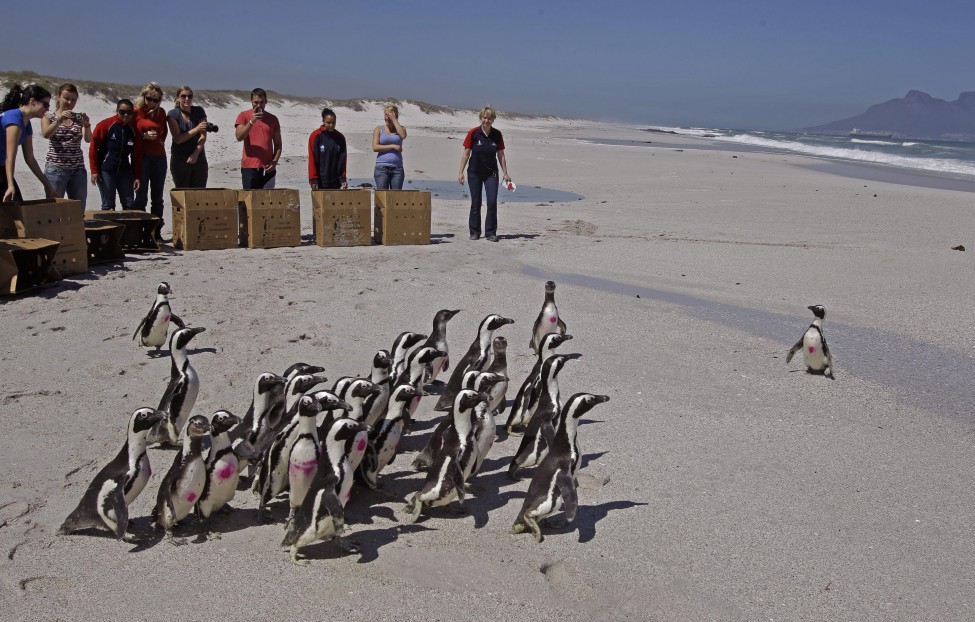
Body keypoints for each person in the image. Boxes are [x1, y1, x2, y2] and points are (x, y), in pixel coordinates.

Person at [458, 106, 512, 242]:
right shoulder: (473, 133)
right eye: (484, 117)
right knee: (476, 203)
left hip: (491, 174)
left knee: (492, 202)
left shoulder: (497, 135)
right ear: (481, 118)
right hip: (474, 173)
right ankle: (475, 232)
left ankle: (490, 232)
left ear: (493, 120)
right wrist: (461, 172)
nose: (486, 120)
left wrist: (505, 173)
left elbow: (501, 155)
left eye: (489, 118)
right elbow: (466, 153)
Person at [1, 83, 58, 202]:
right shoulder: (14, 118)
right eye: (45, 104)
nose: (47, 109)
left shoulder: (26, 124)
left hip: (2, 167)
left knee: (15, 208)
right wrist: (10, 185)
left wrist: (48, 186)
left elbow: (30, 159)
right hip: (3, 166)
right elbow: (9, 156)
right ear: (32, 101)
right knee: (12, 209)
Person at [40, 83, 91, 206]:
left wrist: (87, 125)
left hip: (77, 169)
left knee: (78, 208)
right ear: (58, 97)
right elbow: (46, 134)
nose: (69, 102)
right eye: (66, 98)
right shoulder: (49, 116)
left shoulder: (77, 118)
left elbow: (88, 139)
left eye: (73, 100)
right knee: (53, 208)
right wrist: (59, 119)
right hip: (56, 168)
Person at [90, 99, 142, 211]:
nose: (126, 115)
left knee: (129, 205)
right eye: (122, 112)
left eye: (129, 112)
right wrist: (94, 170)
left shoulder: (133, 130)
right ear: (117, 111)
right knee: (108, 206)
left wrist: (136, 176)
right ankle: (110, 228)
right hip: (106, 170)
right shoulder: (105, 125)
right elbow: (93, 148)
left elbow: (136, 155)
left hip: (124, 171)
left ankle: (129, 228)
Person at [133, 83, 168, 239]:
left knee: (157, 197)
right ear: (143, 97)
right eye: (149, 99)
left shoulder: (161, 112)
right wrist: (143, 136)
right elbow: (138, 127)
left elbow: (162, 131)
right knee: (141, 196)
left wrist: (159, 139)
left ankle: (156, 232)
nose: (152, 103)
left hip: (159, 156)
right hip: (143, 157)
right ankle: (139, 230)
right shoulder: (137, 111)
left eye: (156, 100)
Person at [235, 88, 281, 189]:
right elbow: (239, 137)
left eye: (262, 102)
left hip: (268, 167)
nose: (259, 105)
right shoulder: (244, 116)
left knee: (268, 201)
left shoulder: (273, 119)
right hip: (249, 167)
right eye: (256, 102)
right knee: (250, 201)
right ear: (251, 101)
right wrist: (251, 121)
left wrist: (274, 162)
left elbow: (278, 144)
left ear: (266, 101)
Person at [166, 85, 209, 188]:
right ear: (178, 98)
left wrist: (196, 153)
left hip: (198, 156)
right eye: (183, 96)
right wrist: (197, 129)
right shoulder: (173, 115)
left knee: (199, 193)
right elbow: (178, 139)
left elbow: (203, 137)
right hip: (180, 158)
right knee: (182, 192)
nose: (187, 99)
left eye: (189, 96)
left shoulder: (199, 111)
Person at [307, 108, 347, 190]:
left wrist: (342, 178)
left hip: (335, 182)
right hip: (319, 182)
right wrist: (313, 179)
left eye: (333, 123)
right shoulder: (315, 136)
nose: (331, 125)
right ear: (323, 121)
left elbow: (342, 160)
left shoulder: (340, 137)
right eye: (328, 123)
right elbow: (312, 159)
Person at [372, 104, 406, 189]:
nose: (387, 118)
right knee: (382, 197)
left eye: (389, 115)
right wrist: (393, 146)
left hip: (397, 168)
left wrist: (394, 119)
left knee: (396, 198)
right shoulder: (379, 129)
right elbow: (375, 147)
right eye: (385, 115)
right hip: (381, 168)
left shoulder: (401, 129)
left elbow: (403, 136)